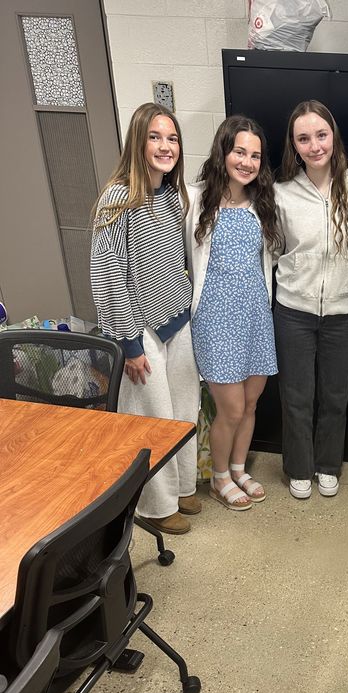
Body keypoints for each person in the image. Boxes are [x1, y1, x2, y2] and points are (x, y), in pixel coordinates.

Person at [91, 102, 200, 535]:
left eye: (172, 138)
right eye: (155, 137)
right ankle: (156, 506)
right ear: (138, 142)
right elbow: (107, 275)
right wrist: (131, 345)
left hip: (177, 318)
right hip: (140, 330)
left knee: (184, 412)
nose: (165, 146)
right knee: (151, 419)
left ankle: (184, 487)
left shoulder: (174, 196)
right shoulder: (117, 199)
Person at [273, 100, 348, 500]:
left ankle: (328, 465)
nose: (314, 145)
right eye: (304, 138)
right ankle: (298, 467)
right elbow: (274, 247)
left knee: (335, 395)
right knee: (296, 395)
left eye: (321, 135)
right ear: (294, 146)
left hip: (343, 311)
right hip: (294, 309)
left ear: (333, 136)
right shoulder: (281, 193)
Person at [186, 116, 281, 511]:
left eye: (255, 155)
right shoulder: (194, 200)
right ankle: (219, 477)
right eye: (239, 151)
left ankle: (239, 467)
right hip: (214, 318)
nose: (247, 161)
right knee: (231, 407)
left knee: (253, 402)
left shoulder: (263, 203)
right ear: (223, 152)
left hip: (256, 315)